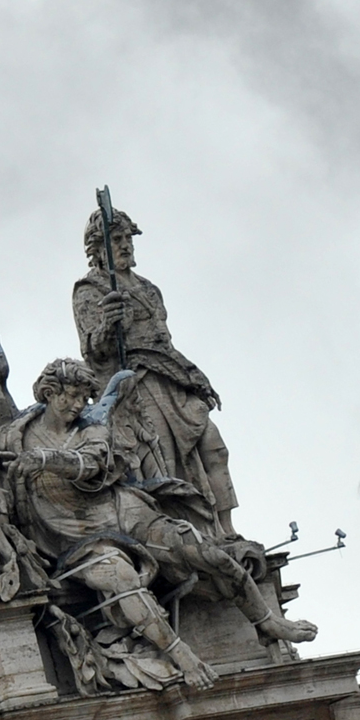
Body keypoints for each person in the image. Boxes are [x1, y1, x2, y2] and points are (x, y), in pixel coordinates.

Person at [0, 359, 315, 691]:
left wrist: (45, 459)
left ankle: (267, 622)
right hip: (74, 537)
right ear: (49, 393)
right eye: (72, 396)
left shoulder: (92, 428)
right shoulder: (12, 436)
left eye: (84, 398)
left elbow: (92, 464)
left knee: (206, 552)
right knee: (122, 578)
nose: (78, 405)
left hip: (124, 512)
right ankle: (184, 657)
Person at [72, 209, 238, 537]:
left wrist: (195, 376)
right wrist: (108, 324)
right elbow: (92, 350)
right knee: (166, 462)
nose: (125, 246)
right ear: (98, 248)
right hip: (136, 384)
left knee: (213, 446)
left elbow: (166, 342)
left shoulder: (149, 290)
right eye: (116, 239)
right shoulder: (90, 289)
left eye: (127, 239)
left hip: (170, 379)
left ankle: (227, 528)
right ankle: (189, 532)